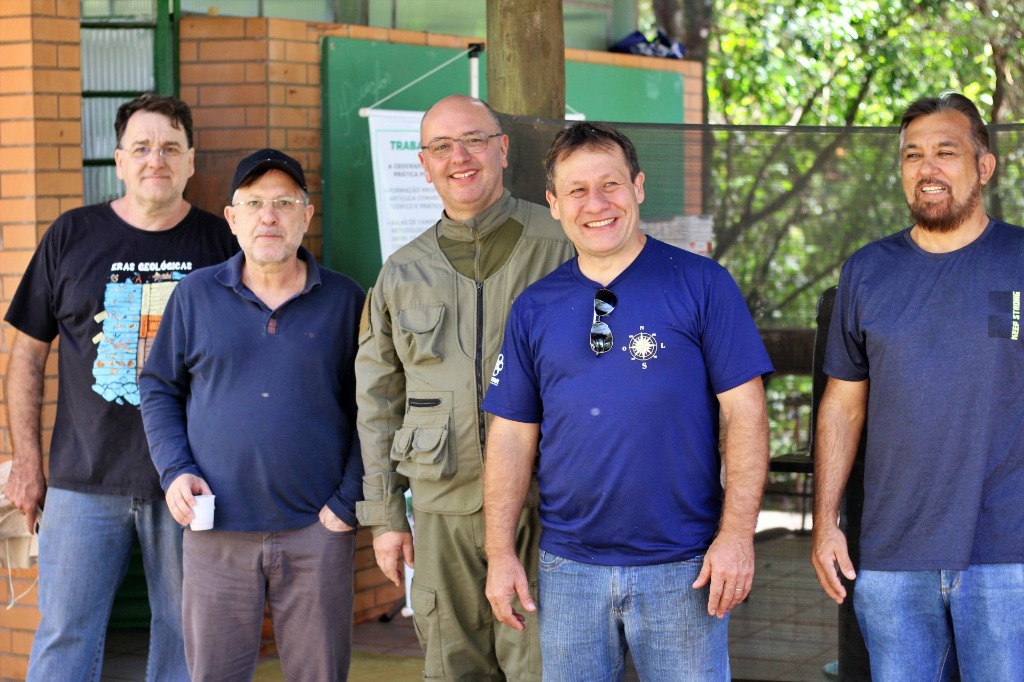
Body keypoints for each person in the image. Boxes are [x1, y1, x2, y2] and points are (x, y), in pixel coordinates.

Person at [482, 121, 773, 681]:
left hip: (685, 567)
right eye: (577, 190)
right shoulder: (534, 307)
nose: (597, 204)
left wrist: (736, 536)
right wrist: (500, 554)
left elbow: (746, 413)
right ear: (554, 203)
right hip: (569, 570)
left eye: (610, 184)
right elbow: (512, 435)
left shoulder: (701, 283)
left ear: (638, 186)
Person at [2, 93, 237, 681]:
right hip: (82, 481)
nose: (155, 159)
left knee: (188, 638)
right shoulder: (71, 235)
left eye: (169, 148)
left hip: (190, 481)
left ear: (190, 161)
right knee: (65, 635)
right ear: (119, 160)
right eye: (141, 147)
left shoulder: (222, 246)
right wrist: (28, 462)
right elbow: (26, 356)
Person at [355, 94, 575, 679]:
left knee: (545, 665)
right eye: (441, 147)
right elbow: (377, 400)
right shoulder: (400, 272)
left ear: (502, 150)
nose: (460, 157)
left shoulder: (563, 246)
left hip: (546, 505)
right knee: (453, 666)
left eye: (474, 140)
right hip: (440, 510)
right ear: (423, 164)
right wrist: (384, 517)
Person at [811, 92, 1024, 680]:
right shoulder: (866, 271)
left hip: (1009, 556)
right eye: (913, 155)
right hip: (891, 557)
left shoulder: (1020, 260)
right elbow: (842, 407)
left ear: (984, 166)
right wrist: (826, 521)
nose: (927, 168)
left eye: (945, 152)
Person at [138, 149, 364, 681]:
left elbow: (374, 410)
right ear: (232, 217)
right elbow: (158, 387)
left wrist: (347, 502)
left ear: (306, 216)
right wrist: (175, 470)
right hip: (216, 529)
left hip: (317, 531)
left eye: (285, 203)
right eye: (255, 203)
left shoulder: (345, 300)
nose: (270, 216)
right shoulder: (195, 296)